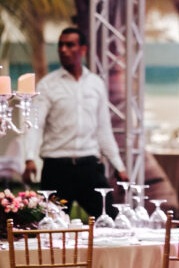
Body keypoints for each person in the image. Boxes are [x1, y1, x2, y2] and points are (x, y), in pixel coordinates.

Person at [23, 27, 128, 216]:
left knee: (110, 220)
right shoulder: (47, 85)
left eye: (70, 45)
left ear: (83, 50)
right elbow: (35, 124)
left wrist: (119, 167)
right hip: (56, 168)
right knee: (52, 225)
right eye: (61, 45)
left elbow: (103, 129)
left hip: (90, 166)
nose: (63, 50)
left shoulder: (96, 84)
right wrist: (29, 158)